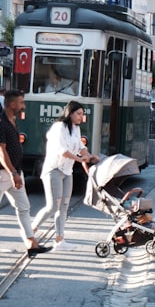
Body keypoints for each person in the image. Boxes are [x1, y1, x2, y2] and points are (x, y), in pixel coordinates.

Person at [0, 90, 51, 258]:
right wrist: (13, 173)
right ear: (13, 105)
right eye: (21, 103)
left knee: (23, 207)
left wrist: (15, 172)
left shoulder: (12, 121)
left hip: (13, 172)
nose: (24, 106)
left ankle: (31, 243)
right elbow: (0, 151)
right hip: (0, 173)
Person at [31, 101, 94, 250]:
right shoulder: (59, 128)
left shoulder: (76, 128)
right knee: (53, 206)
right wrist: (80, 159)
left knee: (64, 206)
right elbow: (62, 151)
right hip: (54, 169)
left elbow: (80, 146)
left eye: (82, 114)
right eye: (78, 114)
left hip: (67, 171)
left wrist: (89, 156)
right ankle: (31, 229)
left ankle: (59, 240)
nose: (81, 117)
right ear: (70, 113)